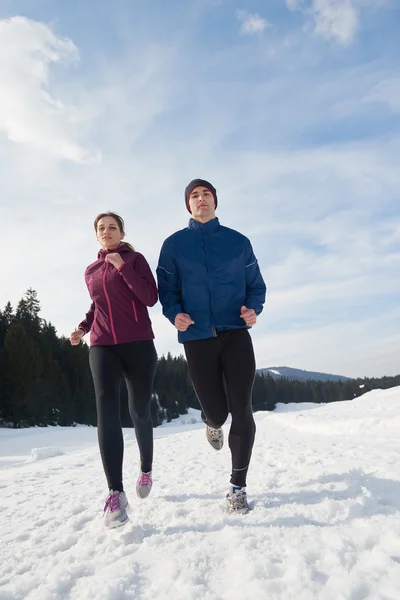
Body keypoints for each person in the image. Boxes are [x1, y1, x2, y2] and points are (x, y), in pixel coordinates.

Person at [157, 179, 266, 514]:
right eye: (194, 195)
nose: (201, 199)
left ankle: (237, 486)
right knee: (218, 413)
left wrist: (253, 308)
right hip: (198, 338)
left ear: (215, 201)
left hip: (235, 333)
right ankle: (210, 421)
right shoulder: (174, 245)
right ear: (188, 205)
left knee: (242, 409)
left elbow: (255, 285)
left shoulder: (237, 242)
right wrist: (174, 314)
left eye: (206, 194)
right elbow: (167, 289)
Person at [70, 212, 158, 529]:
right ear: (96, 235)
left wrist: (123, 269)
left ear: (122, 232)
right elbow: (98, 306)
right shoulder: (91, 270)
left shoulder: (135, 260)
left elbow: (150, 297)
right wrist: (83, 328)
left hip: (138, 345)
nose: (106, 231)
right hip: (102, 345)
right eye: (101, 228)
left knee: (139, 413)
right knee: (106, 409)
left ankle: (146, 467)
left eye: (112, 227)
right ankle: (116, 495)